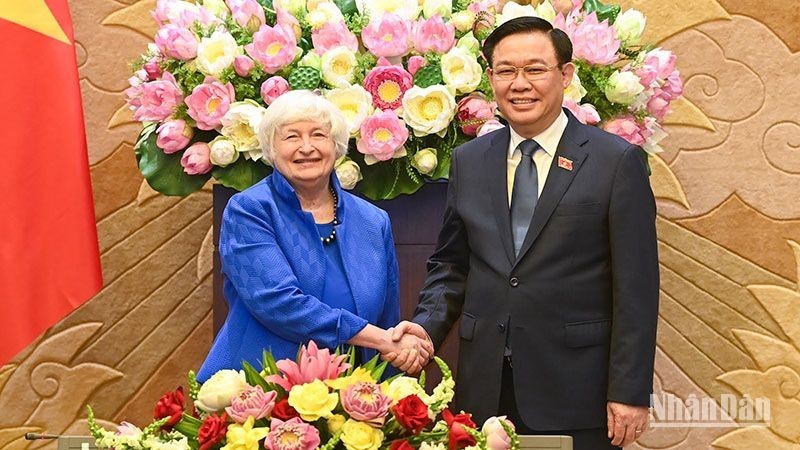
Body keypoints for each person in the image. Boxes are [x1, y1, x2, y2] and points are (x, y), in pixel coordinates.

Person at [389, 16, 659, 449]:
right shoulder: (470, 160)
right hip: (485, 387)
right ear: (490, 77)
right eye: (506, 71)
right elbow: (451, 266)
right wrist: (425, 329)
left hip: (577, 389)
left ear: (566, 75)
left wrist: (629, 392)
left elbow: (637, 288)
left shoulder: (615, 162)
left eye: (535, 70)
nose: (520, 84)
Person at [198, 90, 431, 381]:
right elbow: (281, 303)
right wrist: (381, 338)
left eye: (318, 135)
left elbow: (387, 320)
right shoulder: (249, 211)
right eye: (291, 137)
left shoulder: (373, 220)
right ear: (271, 148)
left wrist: (398, 355)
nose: (306, 147)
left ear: (336, 146)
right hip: (262, 391)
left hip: (350, 396)